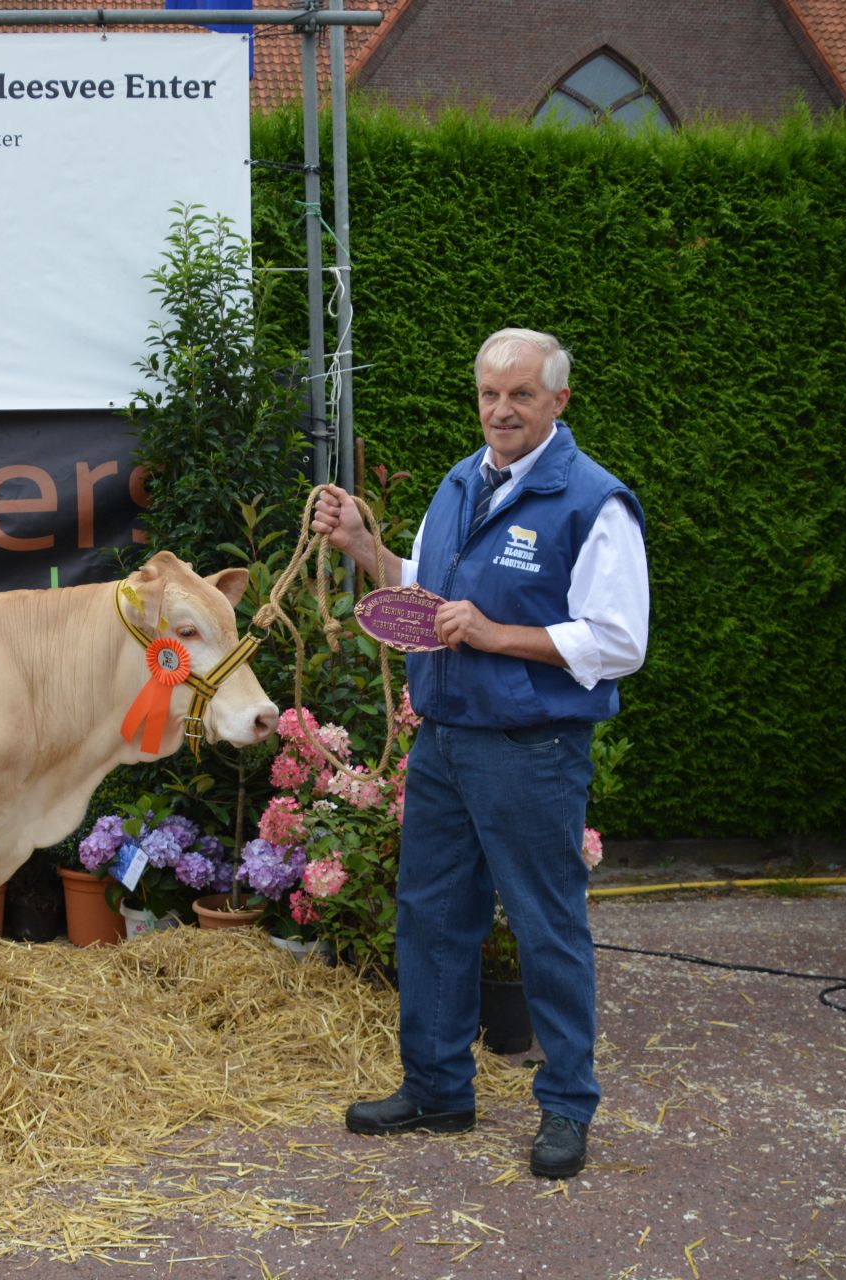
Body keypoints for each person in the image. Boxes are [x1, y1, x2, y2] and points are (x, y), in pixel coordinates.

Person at [312, 327, 649, 1179]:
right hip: (446, 741)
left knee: (545, 925)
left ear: (558, 400)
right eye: (490, 394)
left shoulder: (593, 502)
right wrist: (361, 546)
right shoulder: (461, 481)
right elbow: (423, 597)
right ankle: (436, 1090)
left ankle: (566, 1106)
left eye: (521, 395)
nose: (502, 410)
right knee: (431, 915)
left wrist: (497, 634)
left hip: (532, 748)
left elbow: (620, 641)